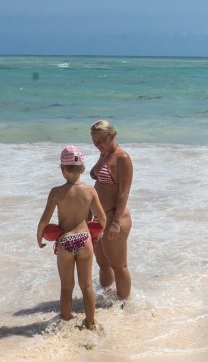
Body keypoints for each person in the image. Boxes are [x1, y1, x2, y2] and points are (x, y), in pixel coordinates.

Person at [37, 145, 106, 330]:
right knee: (87, 285)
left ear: (62, 169)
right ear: (83, 169)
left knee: (67, 287)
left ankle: (66, 321)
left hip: (65, 241)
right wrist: (98, 234)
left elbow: (44, 220)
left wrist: (39, 239)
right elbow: (102, 219)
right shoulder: (90, 191)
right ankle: (91, 322)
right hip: (85, 239)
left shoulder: (56, 192)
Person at [89, 120, 133, 302]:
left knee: (118, 265)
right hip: (99, 219)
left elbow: (124, 192)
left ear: (112, 136)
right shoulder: (105, 154)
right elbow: (93, 173)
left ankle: (125, 305)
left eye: (100, 140)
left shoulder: (122, 158)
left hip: (115, 217)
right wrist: (102, 154)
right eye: (93, 140)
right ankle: (106, 299)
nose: (97, 144)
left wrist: (115, 222)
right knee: (103, 263)